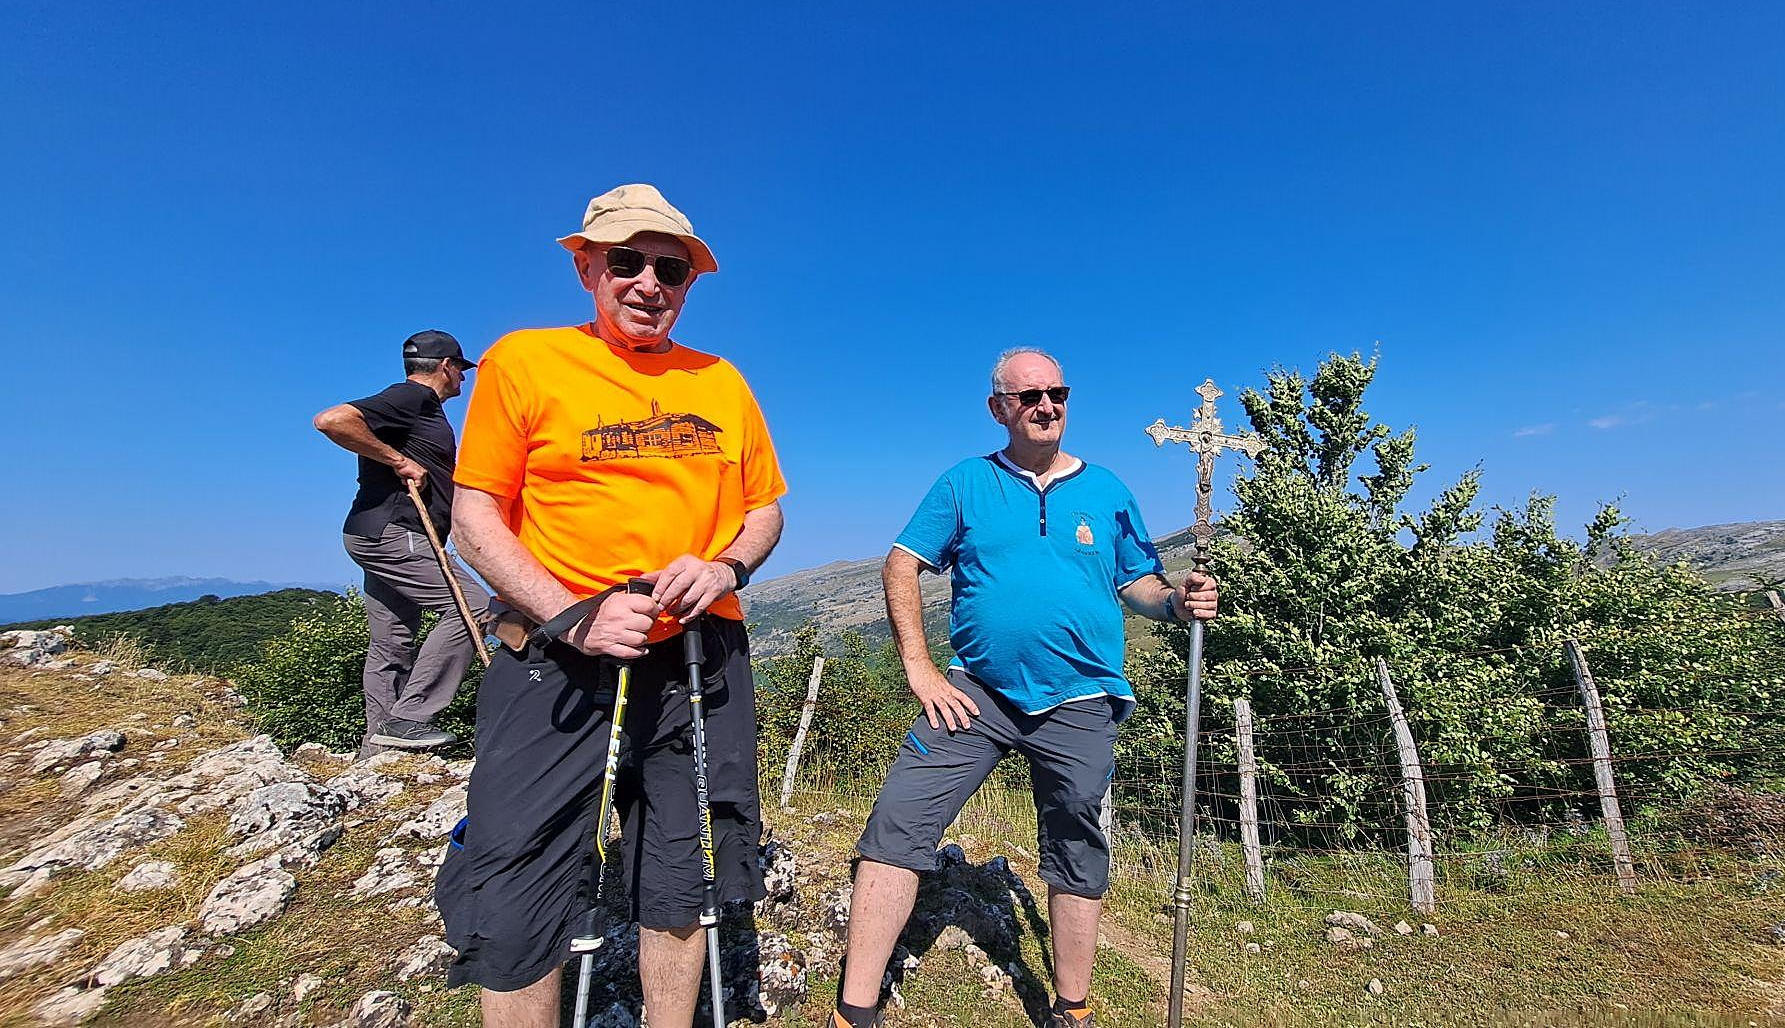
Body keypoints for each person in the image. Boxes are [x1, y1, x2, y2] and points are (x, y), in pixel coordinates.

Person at [436, 183, 786, 1028]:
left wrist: (727, 567)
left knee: (682, 874)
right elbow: (473, 519)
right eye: (626, 262)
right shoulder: (525, 361)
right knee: (521, 874)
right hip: (555, 655)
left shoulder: (722, 380)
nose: (649, 283)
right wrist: (575, 615)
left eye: (672, 268)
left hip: (698, 654)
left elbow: (765, 509)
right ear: (587, 266)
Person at [832, 349, 1218, 1028]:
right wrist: (920, 671)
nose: (1047, 406)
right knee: (898, 825)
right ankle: (853, 1012)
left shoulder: (1108, 491)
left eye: (1058, 393)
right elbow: (901, 564)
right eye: (1030, 395)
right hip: (976, 693)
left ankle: (1072, 1010)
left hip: (1080, 698)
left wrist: (1179, 605)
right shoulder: (965, 483)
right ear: (999, 409)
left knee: (1076, 847)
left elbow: (1141, 588)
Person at [314, 329, 489, 754]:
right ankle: (410, 718)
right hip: (396, 532)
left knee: (391, 640)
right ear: (446, 366)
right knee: (472, 609)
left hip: (376, 533)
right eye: (461, 371)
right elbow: (332, 419)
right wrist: (398, 460)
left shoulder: (415, 407)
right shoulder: (413, 399)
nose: (463, 381)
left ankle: (378, 749)